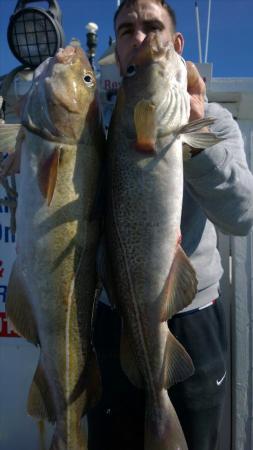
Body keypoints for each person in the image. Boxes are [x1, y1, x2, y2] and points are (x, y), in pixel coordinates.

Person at [88, 1, 253, 450]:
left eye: (153, 26)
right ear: (118, 52)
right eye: (127, 30)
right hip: (114, 315)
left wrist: (194, 133)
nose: (141, 38)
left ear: (178, 45)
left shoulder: (213, 121)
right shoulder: (93, 130)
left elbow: (242, 215)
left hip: (191, 319)